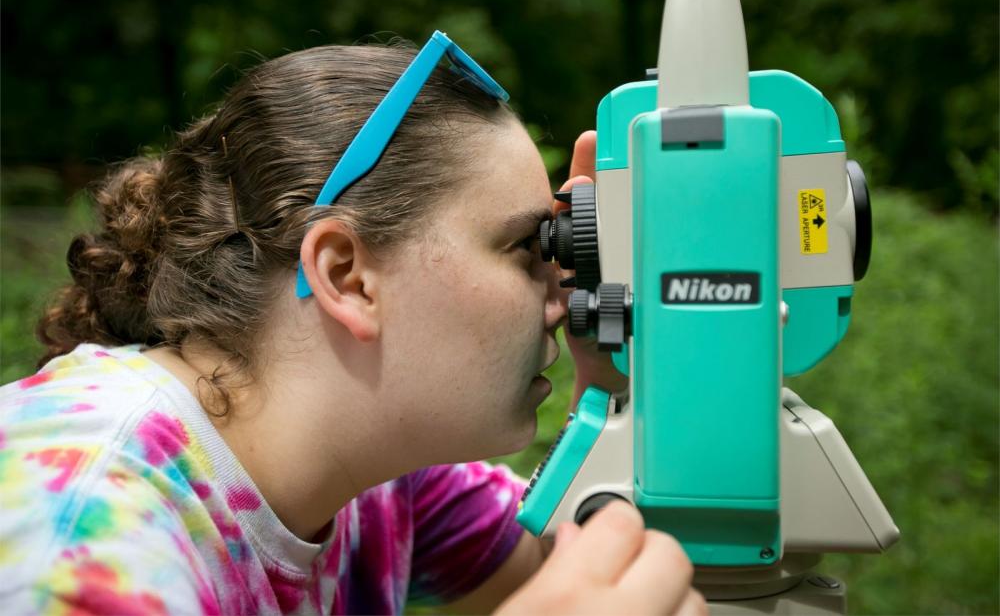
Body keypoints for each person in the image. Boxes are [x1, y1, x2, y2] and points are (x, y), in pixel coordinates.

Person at [0, 33, 706, 615]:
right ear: (346, 275)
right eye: (528, 247)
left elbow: (606, 580)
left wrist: (623, 394)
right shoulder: (77, 532)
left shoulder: (377, 479)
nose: (565, 290)